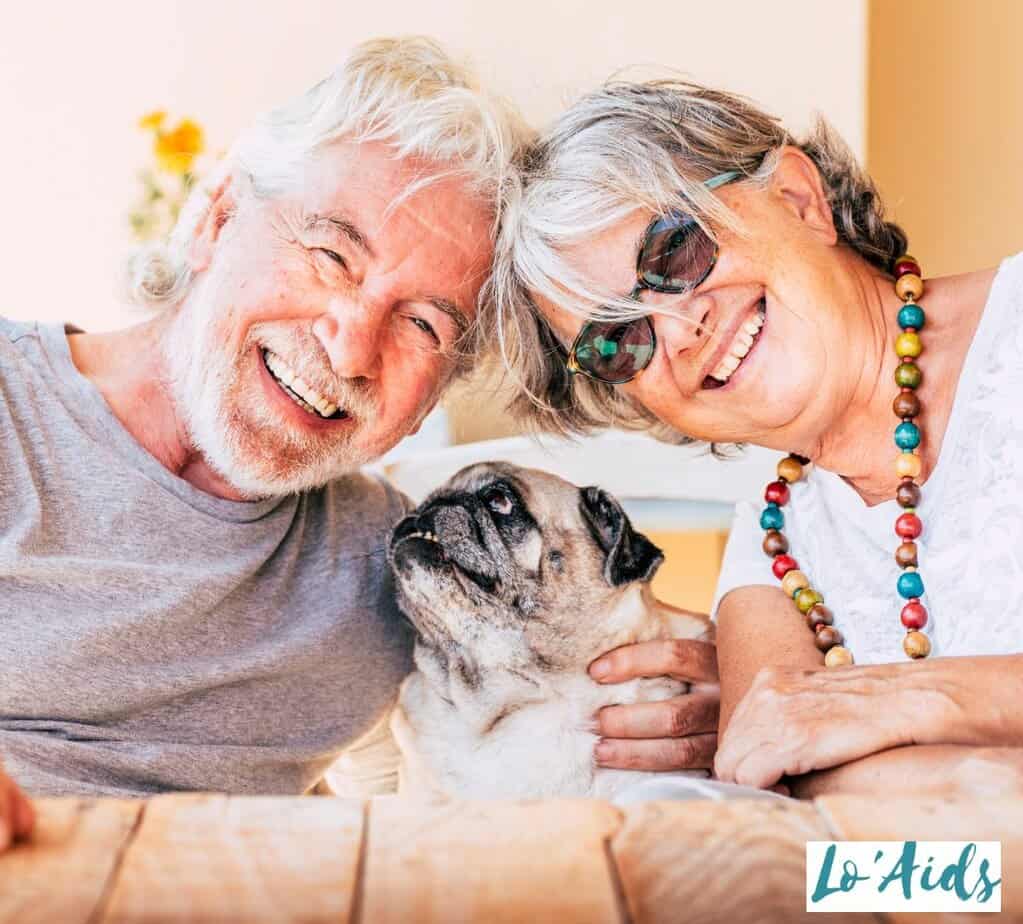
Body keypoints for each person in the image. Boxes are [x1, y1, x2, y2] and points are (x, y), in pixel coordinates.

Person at [0, 36, 524, 849]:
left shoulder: (395, 565)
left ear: (432, 398)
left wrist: (723, 679)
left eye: (422, 324)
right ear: (217, 221)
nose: (351, 349)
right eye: (330, 257)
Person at [493, 78, 1023, 798]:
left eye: (674, 253)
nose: (680, 330)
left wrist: (920, 704)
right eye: (617, 342)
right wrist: (981, 836)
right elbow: (816, 855)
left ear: (797, 198)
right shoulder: (775, 548)